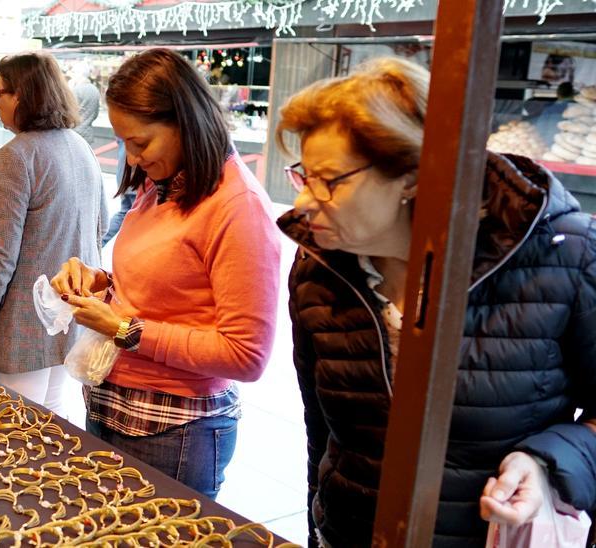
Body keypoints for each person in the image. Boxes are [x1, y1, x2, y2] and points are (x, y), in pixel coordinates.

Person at [277, 56, 596, 548]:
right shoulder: (320, 268)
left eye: (331, 180)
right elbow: (322, 431)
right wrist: (319, 524)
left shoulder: (563, 254)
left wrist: (548, 460)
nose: (302, 203)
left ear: (413, 174)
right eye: (304, 176)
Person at [50, 48, 281, 500]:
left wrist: (125, 330)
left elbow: (246, 355)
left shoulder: (237, 208)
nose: (132, 159)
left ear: (184, 122)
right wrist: (101, 282)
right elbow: (171, 285)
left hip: (175, 432)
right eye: (124, 144)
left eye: (140, 143)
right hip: (114, 406)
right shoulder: (165, 183)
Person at [0, 52, 106, 412]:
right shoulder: (80, 146)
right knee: (48, 427)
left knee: (12, 434)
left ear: (21, 95)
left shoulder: (16, 156)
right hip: (68, 319)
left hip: (21, 328)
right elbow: (99, 228)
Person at [69, 62, 101, 146]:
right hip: (88, 133)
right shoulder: (94, 89)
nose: (72, 75)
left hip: (74, 134)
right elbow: (95, 113)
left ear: (79, 73)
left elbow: (68, 112)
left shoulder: (75, 90)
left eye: (73, 72)